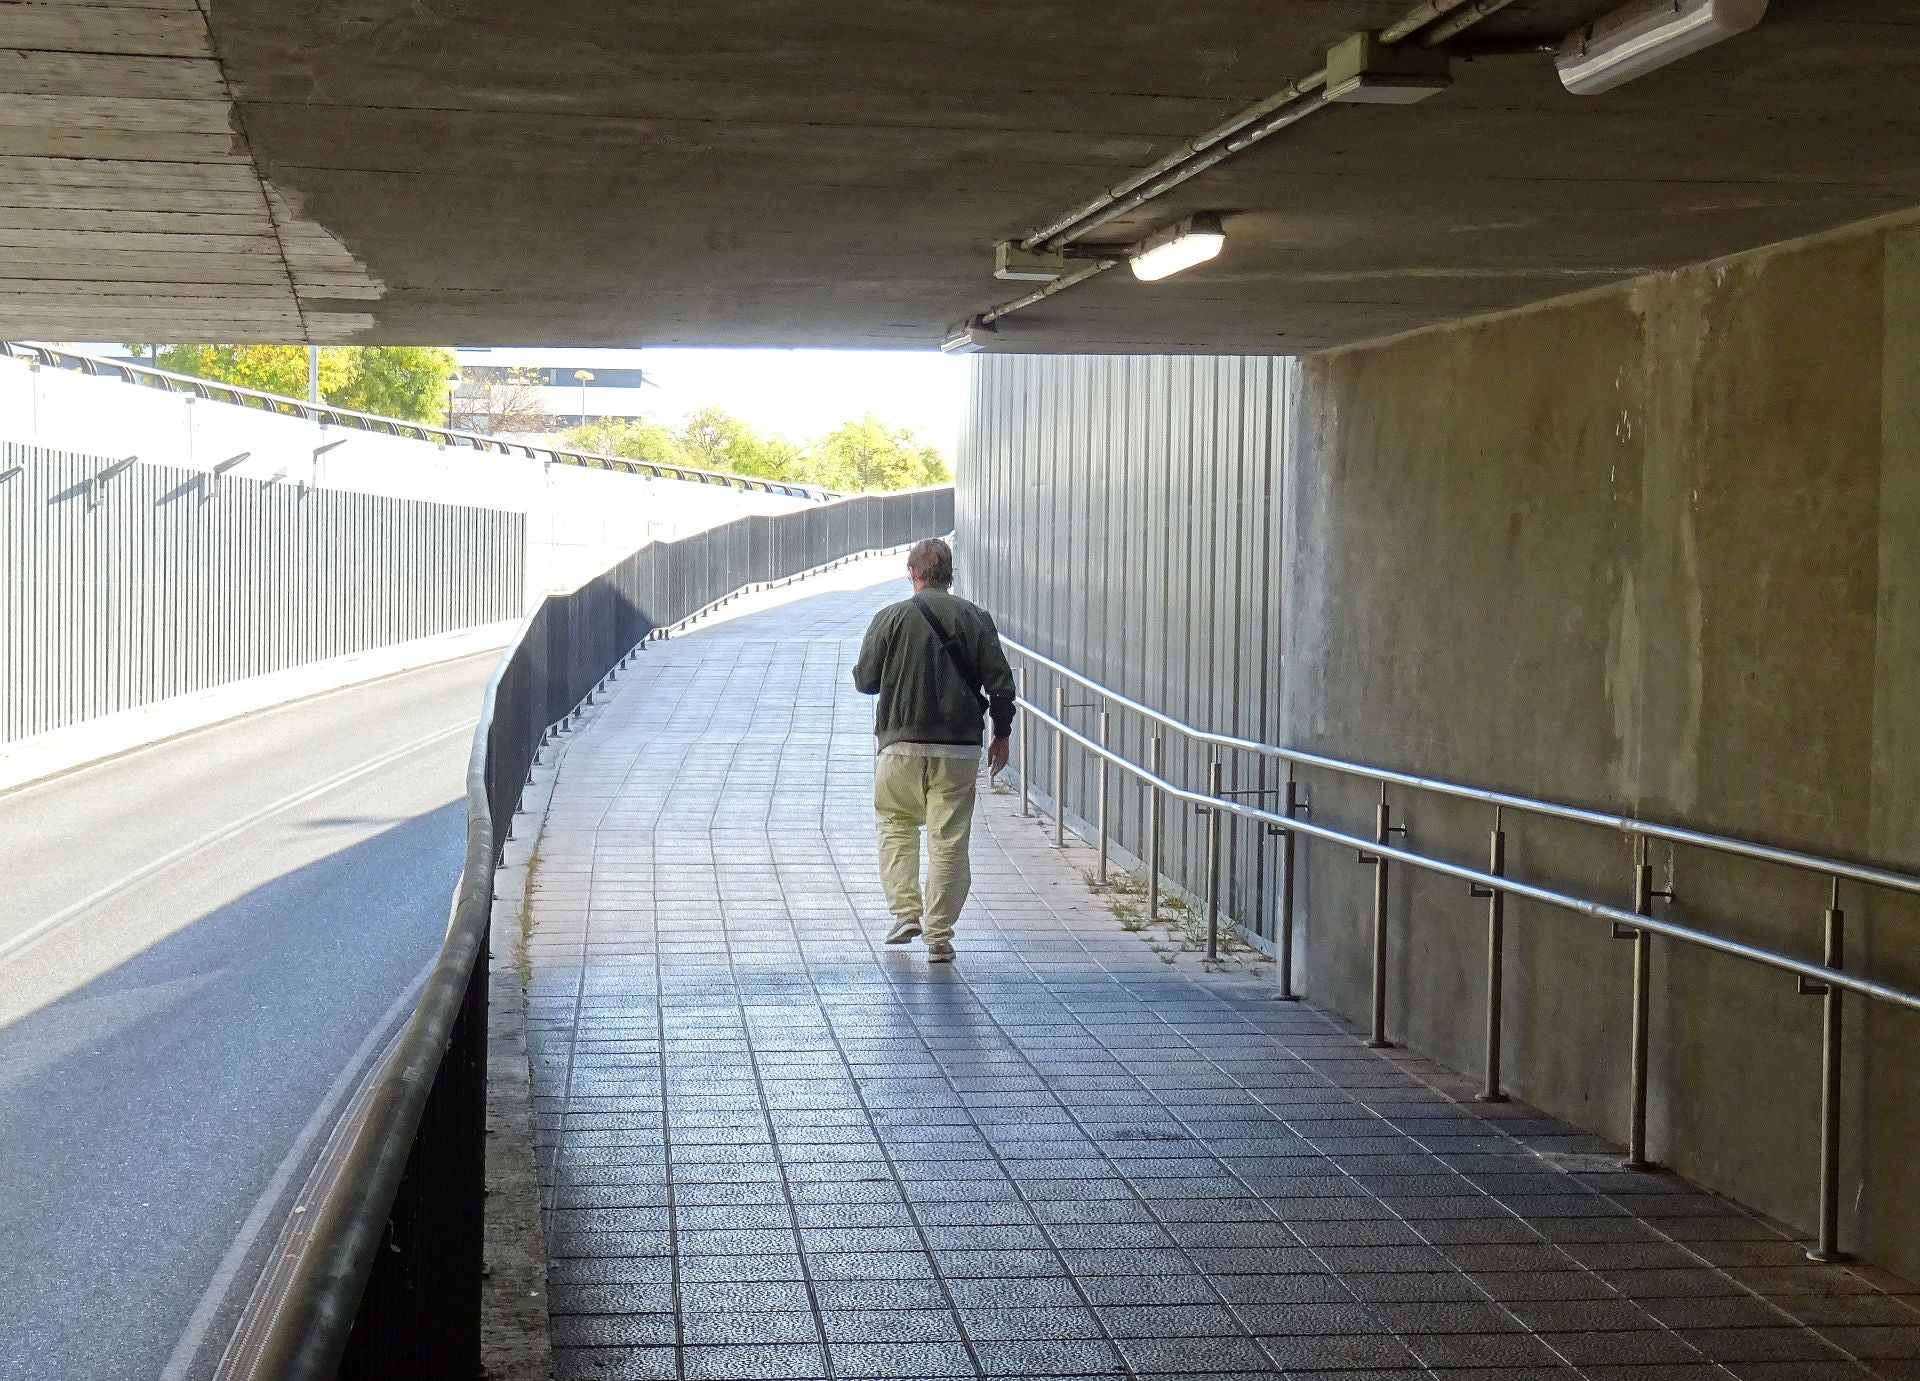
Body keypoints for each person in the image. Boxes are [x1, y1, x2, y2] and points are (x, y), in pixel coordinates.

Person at [851, 537, 1015, 962]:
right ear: (949, 574)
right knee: (949, 839)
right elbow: (1000, 683)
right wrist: (1001, 733)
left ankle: (906, 913)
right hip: (959, 748)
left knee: (895, 825)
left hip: (899, 745)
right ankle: (939, 937)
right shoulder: (976, 618)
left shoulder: (889, 618)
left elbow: (865, 680)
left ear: (912, 573)